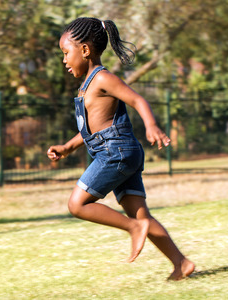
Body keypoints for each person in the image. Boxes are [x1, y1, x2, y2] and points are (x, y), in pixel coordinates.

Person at [47, 17, 195, 281]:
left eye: (66, 53)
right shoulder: (86, 86)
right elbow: (92, 128)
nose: (64, 60)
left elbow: (137, 99)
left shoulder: (103, 78)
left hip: (115, 153)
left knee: (77, 204)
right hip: (120, 152)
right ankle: (180, 263)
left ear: (84, 50)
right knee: (141, 214)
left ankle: (133, 228)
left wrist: (151, 126)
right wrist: (67, 147)